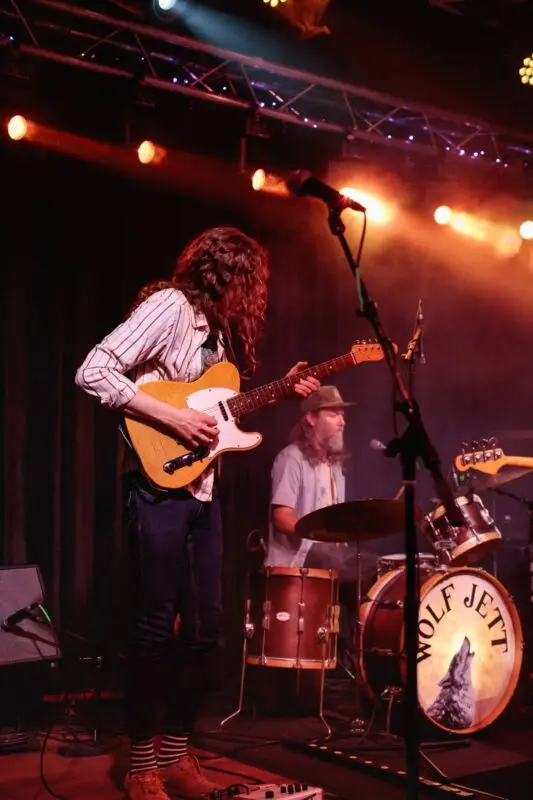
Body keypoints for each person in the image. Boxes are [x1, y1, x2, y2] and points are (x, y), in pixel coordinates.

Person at [75, 226, 319, 800]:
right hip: (158, 490)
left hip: (202, 493)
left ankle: (176, 754)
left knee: (206, 630)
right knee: (156, 626)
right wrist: (173, 419)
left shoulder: (221, 334)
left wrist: (282, 392)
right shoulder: (170, 306)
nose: (254, 295)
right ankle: (139, 767)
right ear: (225, 274)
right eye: (250, 282)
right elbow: (94, 369)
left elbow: (219, 407)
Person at [266, 385, 377, 656]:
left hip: (329, 554)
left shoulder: (335, 465)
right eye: (334, 414)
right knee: (363, 567)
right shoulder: (291, 458)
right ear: (310, 418)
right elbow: (281, 517)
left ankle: (362, 653)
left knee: (380, 566)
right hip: (299, 558)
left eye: (343, 415)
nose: (343, 421)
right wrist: (320, 535)